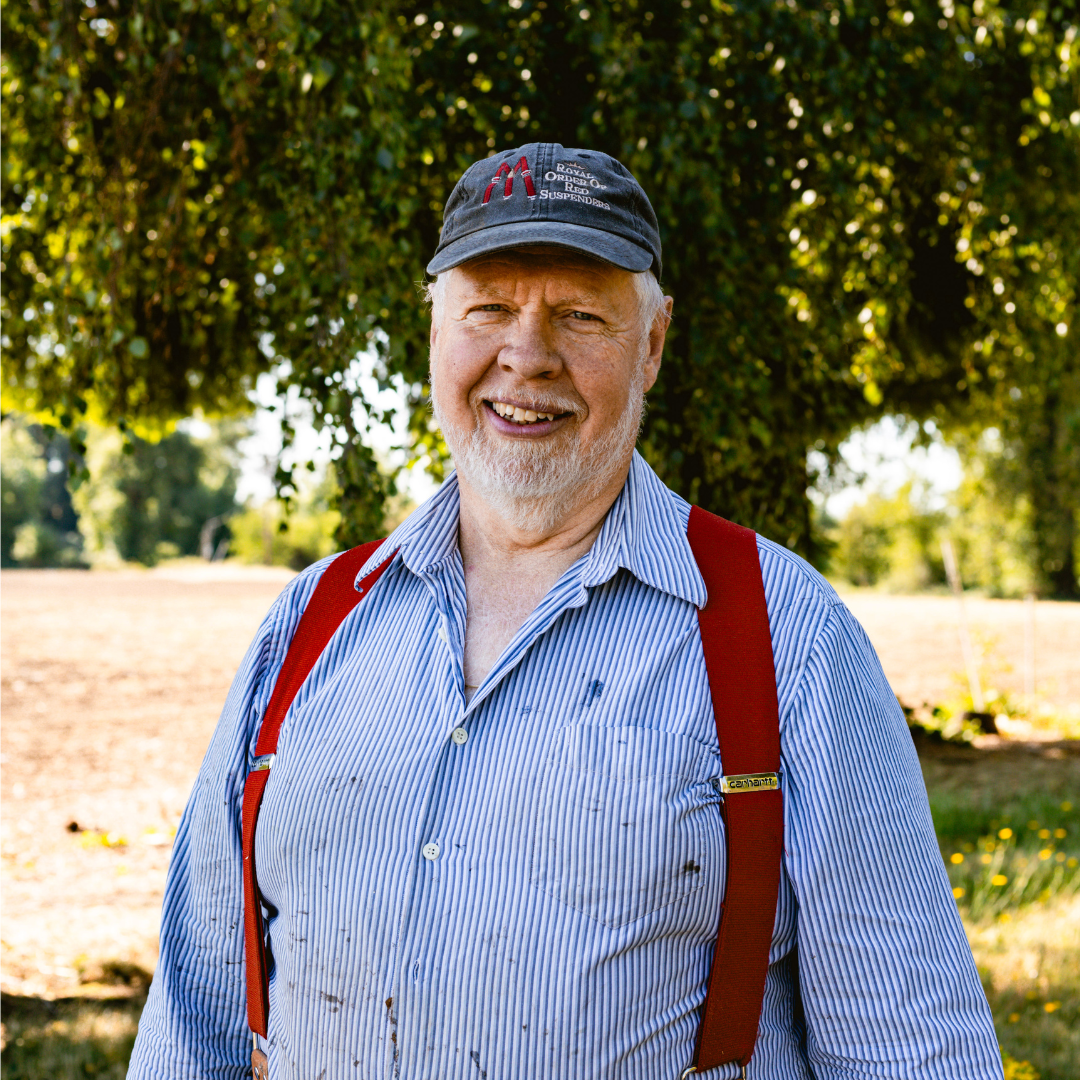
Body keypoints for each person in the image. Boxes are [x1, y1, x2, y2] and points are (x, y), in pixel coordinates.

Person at [128, 143, 1002, 1080]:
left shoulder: (785, 639)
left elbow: (913, 1049)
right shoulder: (308, 627)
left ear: (655, 344)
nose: (526, 357)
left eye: (580, 315)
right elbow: (196, 1014)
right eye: (490, 308)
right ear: (434, 327)